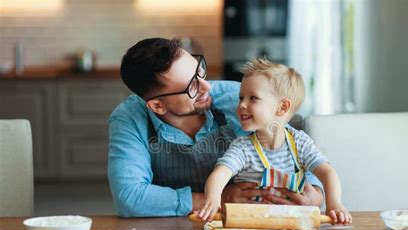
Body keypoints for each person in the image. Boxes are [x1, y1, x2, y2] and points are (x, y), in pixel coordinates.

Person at [108, 38, 325, 217]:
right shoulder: (129, 118)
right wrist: (217, 198)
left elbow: (291, 144)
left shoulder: (239, 100)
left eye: (200, 71)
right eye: (192, 86)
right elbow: (130, 197)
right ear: (157, 105)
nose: (207, 86)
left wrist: (315, 192)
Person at [197, 59, 352, 225]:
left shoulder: (299, 142)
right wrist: (213, 199)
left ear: (282, 107)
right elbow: (220, 173)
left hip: (294, 225)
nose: (242, 105)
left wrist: (334, 204)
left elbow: (327, 173)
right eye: (241, 98)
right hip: (252, 225)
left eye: (253, 98)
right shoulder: (243, 147)